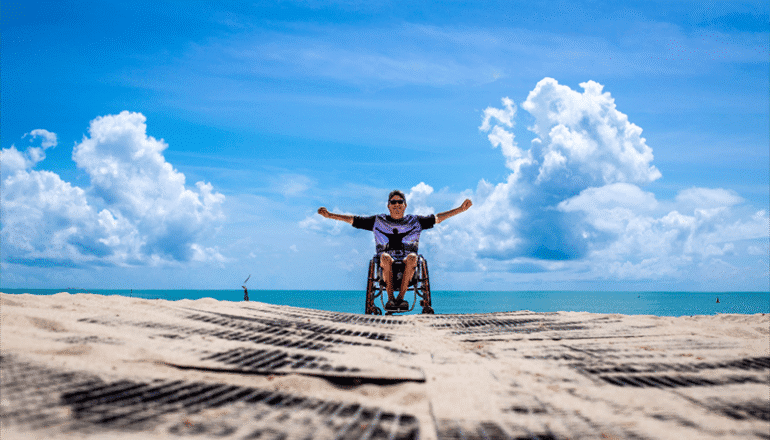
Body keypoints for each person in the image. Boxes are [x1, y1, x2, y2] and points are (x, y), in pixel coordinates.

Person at [318, 190, 472, 309]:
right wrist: (330, 215)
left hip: (408, 263)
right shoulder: (378, 221)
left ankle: (400, 299)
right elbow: (353, 220)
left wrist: (460, 209)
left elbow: (438, 218)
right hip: (386, 263)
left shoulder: (415, 221)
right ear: (388, 205)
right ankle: (391, 299)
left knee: (413, 257)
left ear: (405, 205)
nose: (397, 205)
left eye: (400, 202)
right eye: (393, 202)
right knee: (384, 257)